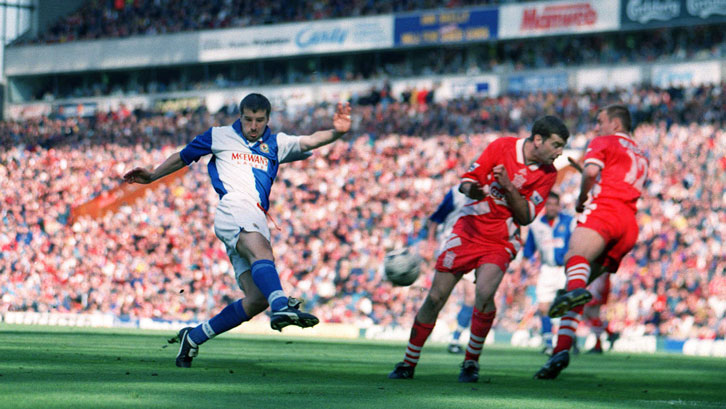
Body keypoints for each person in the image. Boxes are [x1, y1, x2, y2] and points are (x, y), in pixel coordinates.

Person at [123, 93, 352, 368]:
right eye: (248, 119)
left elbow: (311, 140)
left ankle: (194, 337)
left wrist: (337, 132)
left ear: (268, 119)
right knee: (262, 253)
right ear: (240, 116)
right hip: (233, 207)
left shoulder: (276, 143)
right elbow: (183, 157)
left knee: (256, 299)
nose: (253, 126)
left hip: (255, 215)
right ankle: (282, 305)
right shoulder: (218, 136)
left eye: (259, 120)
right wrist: (152, 176)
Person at [388, 116, 570, 383]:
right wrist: (473, 190)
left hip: (501, 239)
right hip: (468, 230)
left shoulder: (548, 174)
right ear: (538, 140)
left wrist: (508, 186)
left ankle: (471, 362)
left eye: (562, 146)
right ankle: (408, 362)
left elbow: (526, 217)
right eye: (556, 145)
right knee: (436, 297)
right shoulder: (501, 147)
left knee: (484, 294)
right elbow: (467, 181)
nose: (560, 152)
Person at [534, 104, 648, 379]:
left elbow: (591, 174)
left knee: (573, 259)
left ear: (616, 124)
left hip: (605, 212)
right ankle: (561, 349)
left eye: (601, 121)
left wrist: (583, 198)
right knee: (579, 281)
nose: (597, 127)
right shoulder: (641, 154)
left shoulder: (603, 141)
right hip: (629, 225)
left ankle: (568, 302)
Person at [522, 192, 576, 355]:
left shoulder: (569, 221)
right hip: (546, 269)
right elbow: (528, 251)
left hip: (564, 269)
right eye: (549, 204)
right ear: (545, 206)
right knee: (543, 306)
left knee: (567, 307)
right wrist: (527, 267)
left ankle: (569, 341)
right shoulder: (537, 225)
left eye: (555, 204)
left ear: (559, 205)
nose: (552, 207)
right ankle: (547, 342)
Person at [425, 186, 476, 355]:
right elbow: (436, 218)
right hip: (451, 246)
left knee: (471, 296)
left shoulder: (492, 191)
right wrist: (430, 242)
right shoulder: (457, 192)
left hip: (474, 247)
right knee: (438, 296)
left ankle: (455, 339)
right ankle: (421, 337)